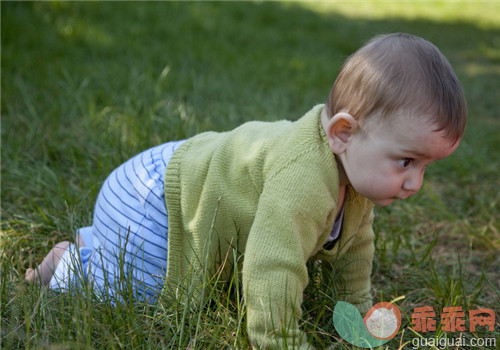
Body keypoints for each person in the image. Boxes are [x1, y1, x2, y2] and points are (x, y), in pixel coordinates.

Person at [26, 33, 467, 349]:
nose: (415, 183)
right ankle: (70, 264)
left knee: (141, 258)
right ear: (343, 133)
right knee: (148, 290)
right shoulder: (302, 180)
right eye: (406, 162)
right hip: (155, 199)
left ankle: (98, 241)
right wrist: (281, 340)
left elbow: (356, 247)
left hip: (166, 183)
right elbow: (271, 265)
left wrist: (358, 312)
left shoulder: (354, 175)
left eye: (427, 167)